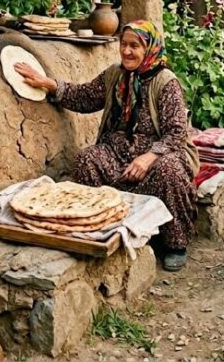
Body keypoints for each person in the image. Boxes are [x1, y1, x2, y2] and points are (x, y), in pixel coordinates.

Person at [15, 19, 199, 272]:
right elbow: (84, 96)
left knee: (170, 171)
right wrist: (48, 83)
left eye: (135, 46)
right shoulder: (115, 75)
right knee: (88, 160)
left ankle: (174, 243)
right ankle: (107, 229)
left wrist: (148, 157)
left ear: (150, 49)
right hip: (118, 152)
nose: (126, 51)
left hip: (159, 155)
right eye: (123, 44)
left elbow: (177, 132)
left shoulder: (166, 82)